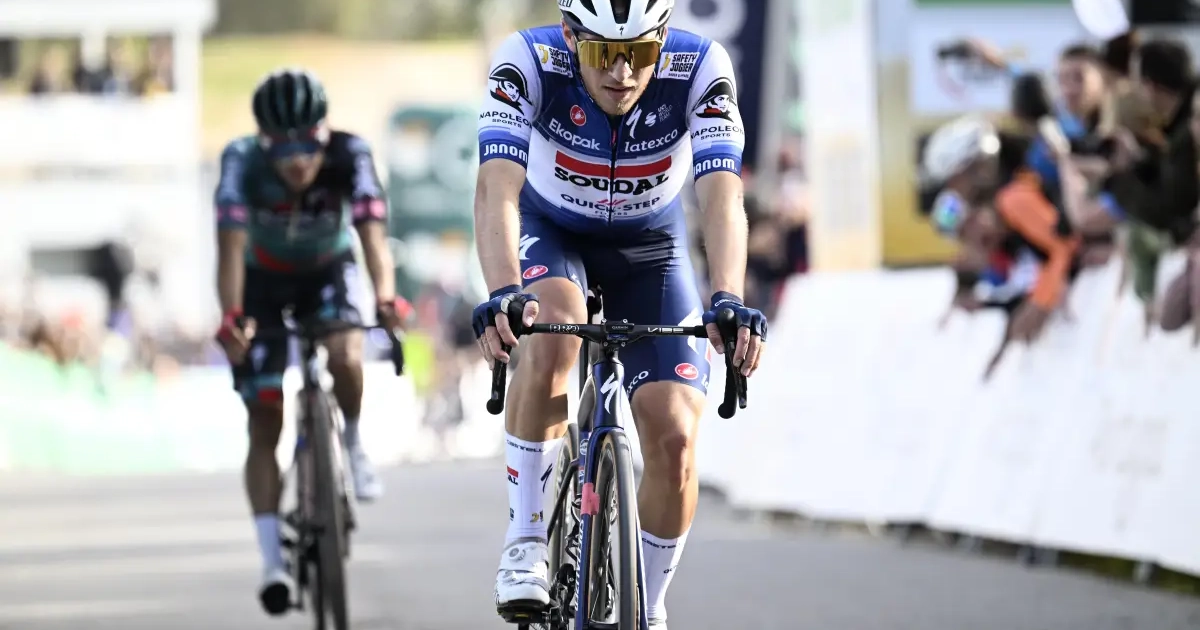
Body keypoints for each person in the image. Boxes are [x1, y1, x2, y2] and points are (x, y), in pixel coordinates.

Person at [470, 2, 767, 627]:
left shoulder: (700, 67)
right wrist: (503, 291)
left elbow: (722, 196)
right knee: (552, 330)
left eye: (640, 54)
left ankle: (649, 608)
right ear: (570, 36)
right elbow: (496, 188)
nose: (623, 73)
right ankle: (525, 541)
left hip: (651, 247)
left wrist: (728, 296)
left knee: (676, 437)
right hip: (551, 231)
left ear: (663, 40)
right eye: (605, 53)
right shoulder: (528, 61)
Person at [212, 68, 410, 616]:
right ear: (264, 143)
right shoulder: (240, 160)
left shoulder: (351, 153)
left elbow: (373, 236)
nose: (299, 162)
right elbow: (229, 251)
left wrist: (386, 299)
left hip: (328, 270)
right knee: (264, 418)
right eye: (284, 149)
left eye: (309, 146)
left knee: (346, 352)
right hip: (261, 280)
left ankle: (353, 441)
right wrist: (232, 318)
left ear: (326, 134)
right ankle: (272, 561)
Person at [923, 115, 1079, 346]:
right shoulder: (1008, 195)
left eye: (953, 180)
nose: (953, 190)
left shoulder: (1013, 198)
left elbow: (1063, 246)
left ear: (975, 167)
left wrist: (1039, 304)